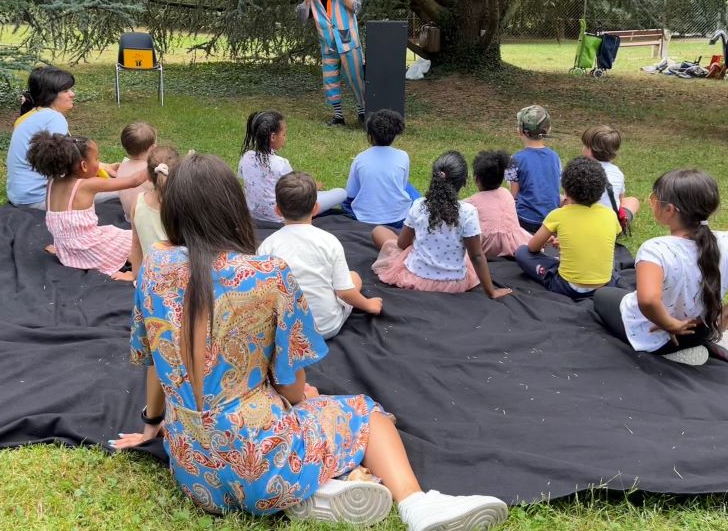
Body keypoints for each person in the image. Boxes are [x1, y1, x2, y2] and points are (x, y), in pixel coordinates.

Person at [111, 153, 509, 531]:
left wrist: (151, 425)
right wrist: (304, 398)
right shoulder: (267, 275)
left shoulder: (154, 270)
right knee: (365, 414)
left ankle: (322, 486)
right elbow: (292, 384)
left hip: (193, 470)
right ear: (233, 206)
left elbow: (154, 362)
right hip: (259, 460)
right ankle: (416, 504)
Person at [594, 169, 728, 366]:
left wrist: (669, 324)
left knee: (603, 295)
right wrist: (722, 319)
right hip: (701, 330)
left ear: (669, 210)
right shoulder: (725, 240)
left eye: (653, 198)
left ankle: (672, 352)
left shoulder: (656, 250)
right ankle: (695, 346)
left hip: (661, 338)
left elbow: (648, 300)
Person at [371, 151, 512, 299]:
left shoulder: (419, 206)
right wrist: (491, 291)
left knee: (379, 231)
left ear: (435, 178)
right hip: (454, 283)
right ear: (464, 182)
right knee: (467, 255)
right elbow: (476, 256)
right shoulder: (468, 212)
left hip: (415, 278)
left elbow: (402, 243)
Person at [258, 172, 382, 339]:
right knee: (354, 277)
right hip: (325, 328)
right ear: (316, 208)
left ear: (278, 210)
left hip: (286, 332)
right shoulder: (329, 242)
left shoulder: (267, 246)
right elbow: (344, 292)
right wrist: (369, 305)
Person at [26, 131, 147, 281]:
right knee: (137, 239)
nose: (99, 162)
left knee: (112, 232)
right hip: (91, 248)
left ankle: (67, 252)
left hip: (67, 246)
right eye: (97, 159)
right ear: (83, 165)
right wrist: (157, 164)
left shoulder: (52, 181)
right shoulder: (87, 185)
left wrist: (104, 168)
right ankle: (133, 273)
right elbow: (134, 181)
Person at [515, 157, 621, 300]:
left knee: (522, 253)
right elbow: (598, 239)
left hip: (566, 287)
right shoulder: (610, 214)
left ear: (565, 190)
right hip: (606, 286)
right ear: (601, 189)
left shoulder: (558, 215)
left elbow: (533, 247)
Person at [296, 0, 365, 126]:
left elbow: (357, 7)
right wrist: (306, 0)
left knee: (356, 78)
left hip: (348, 41)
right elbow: (301, 18)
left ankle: (363, 112)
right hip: (328, 44)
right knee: (330, 80)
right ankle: (338, 116)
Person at [238, 110, 346, 222]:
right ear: (273, 137)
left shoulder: (246, 157)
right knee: (341, 193)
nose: (285, 138)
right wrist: (313, 186)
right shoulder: (280, 164)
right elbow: (296, 192)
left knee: (321, 194)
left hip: (253, 215)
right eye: (284, 134)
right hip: (281, 216)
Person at [7, 67, 75, 208]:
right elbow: (61, 163)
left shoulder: (33, 114)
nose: (72, 94)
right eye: (65, 91)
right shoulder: (54, 118)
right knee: (117, 190)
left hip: (19, 194)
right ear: (50, 95)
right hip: (37, 197)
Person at [344, 109, 420, 227]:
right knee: (410, 190)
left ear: (370, 135)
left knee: (344, 201)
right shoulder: (403, 156)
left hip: (365, 219)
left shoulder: (360, 158)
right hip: (399, 218)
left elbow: (350, 194)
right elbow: (403, 186)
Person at [504, 105, 562, 233]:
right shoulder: (555, 157)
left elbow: (513, 195)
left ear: (519, 131)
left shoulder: (515, 159)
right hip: (551, 220)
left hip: (526, 220)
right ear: (549, 130)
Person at [464, 150, 532, 258]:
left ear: (476, 179)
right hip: (514, 245)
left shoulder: (471, 203)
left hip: (487, 246)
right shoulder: (506, 193)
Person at [129, 146, 180, 279]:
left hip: (149, 282)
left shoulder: (138, 202)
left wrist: (136, 278)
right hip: (180, 282)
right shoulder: (183, 205)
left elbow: (136, 244)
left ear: (149, 176)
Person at [580, 125, 640, 235]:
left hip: (582, 223)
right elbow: (620, 202)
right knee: (633, 201)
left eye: (585, 145)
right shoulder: (617, 172)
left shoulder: (578, 171)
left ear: (590, 150)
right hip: (610, 227)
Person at [118, 121, 157, 221]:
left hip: (128, 219)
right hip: (146, 223)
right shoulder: (151, 170)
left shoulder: (122, 166)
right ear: (152, 147)